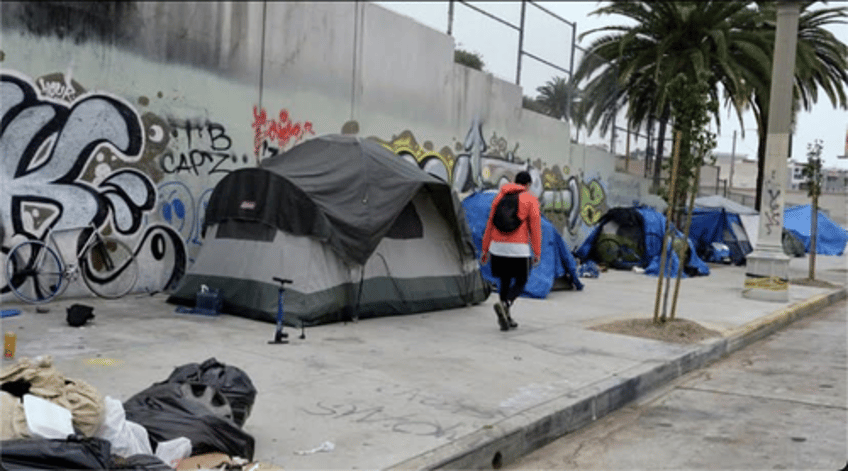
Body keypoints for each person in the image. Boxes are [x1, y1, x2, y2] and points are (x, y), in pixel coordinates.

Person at [480, 171, 542, 331]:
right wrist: (537, 251)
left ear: (515, 181)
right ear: (528, 185)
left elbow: (490, 224)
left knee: (504, 280)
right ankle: (505, 304)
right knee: (521, 280)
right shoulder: (530, 199)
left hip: (497, 247)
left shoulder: (499, 197)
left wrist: (485, 249)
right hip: (518, 249)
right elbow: (535, 228)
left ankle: (506, 317)